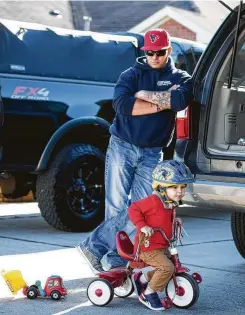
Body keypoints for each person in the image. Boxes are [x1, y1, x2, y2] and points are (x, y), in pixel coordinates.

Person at [76, 29, 193, 273]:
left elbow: (180, 101)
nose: (154, 57)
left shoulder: (180, 77)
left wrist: (144, 96)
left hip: (153, 152)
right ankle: (113, 259)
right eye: (150, 52)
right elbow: (123, 106)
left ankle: (96, 248)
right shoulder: (130, 75)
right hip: (123, 146)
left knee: (144, 207)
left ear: (168, 51)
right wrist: (162, 102)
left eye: (159, 52)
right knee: (116, 204)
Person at [129, 160, 194, 311]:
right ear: (161, 188)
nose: (180, 191)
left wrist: (174, 220)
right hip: (147, 247)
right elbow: (133, 208)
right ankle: (148, 293)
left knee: (168, 266)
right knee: (166, 267)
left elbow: (162, 218)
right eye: (174, 187)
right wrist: (142, 226)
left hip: (162, 244)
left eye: (183, 187)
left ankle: (142, 279)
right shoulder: (153, 201)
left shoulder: (170, 201)